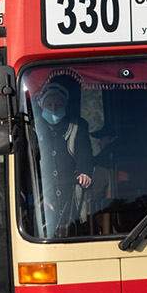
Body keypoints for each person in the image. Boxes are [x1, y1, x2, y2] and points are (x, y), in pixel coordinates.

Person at [30, 79, 98, 232]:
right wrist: (40, 194)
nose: (54, 108)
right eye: (49, 104)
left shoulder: (78, 125)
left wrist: (84, 172)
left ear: (65, 105)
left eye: (58, 104)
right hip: (43, 192)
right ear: (42, 105)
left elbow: (85, 154)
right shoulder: (34, 128)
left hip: (73, 195)